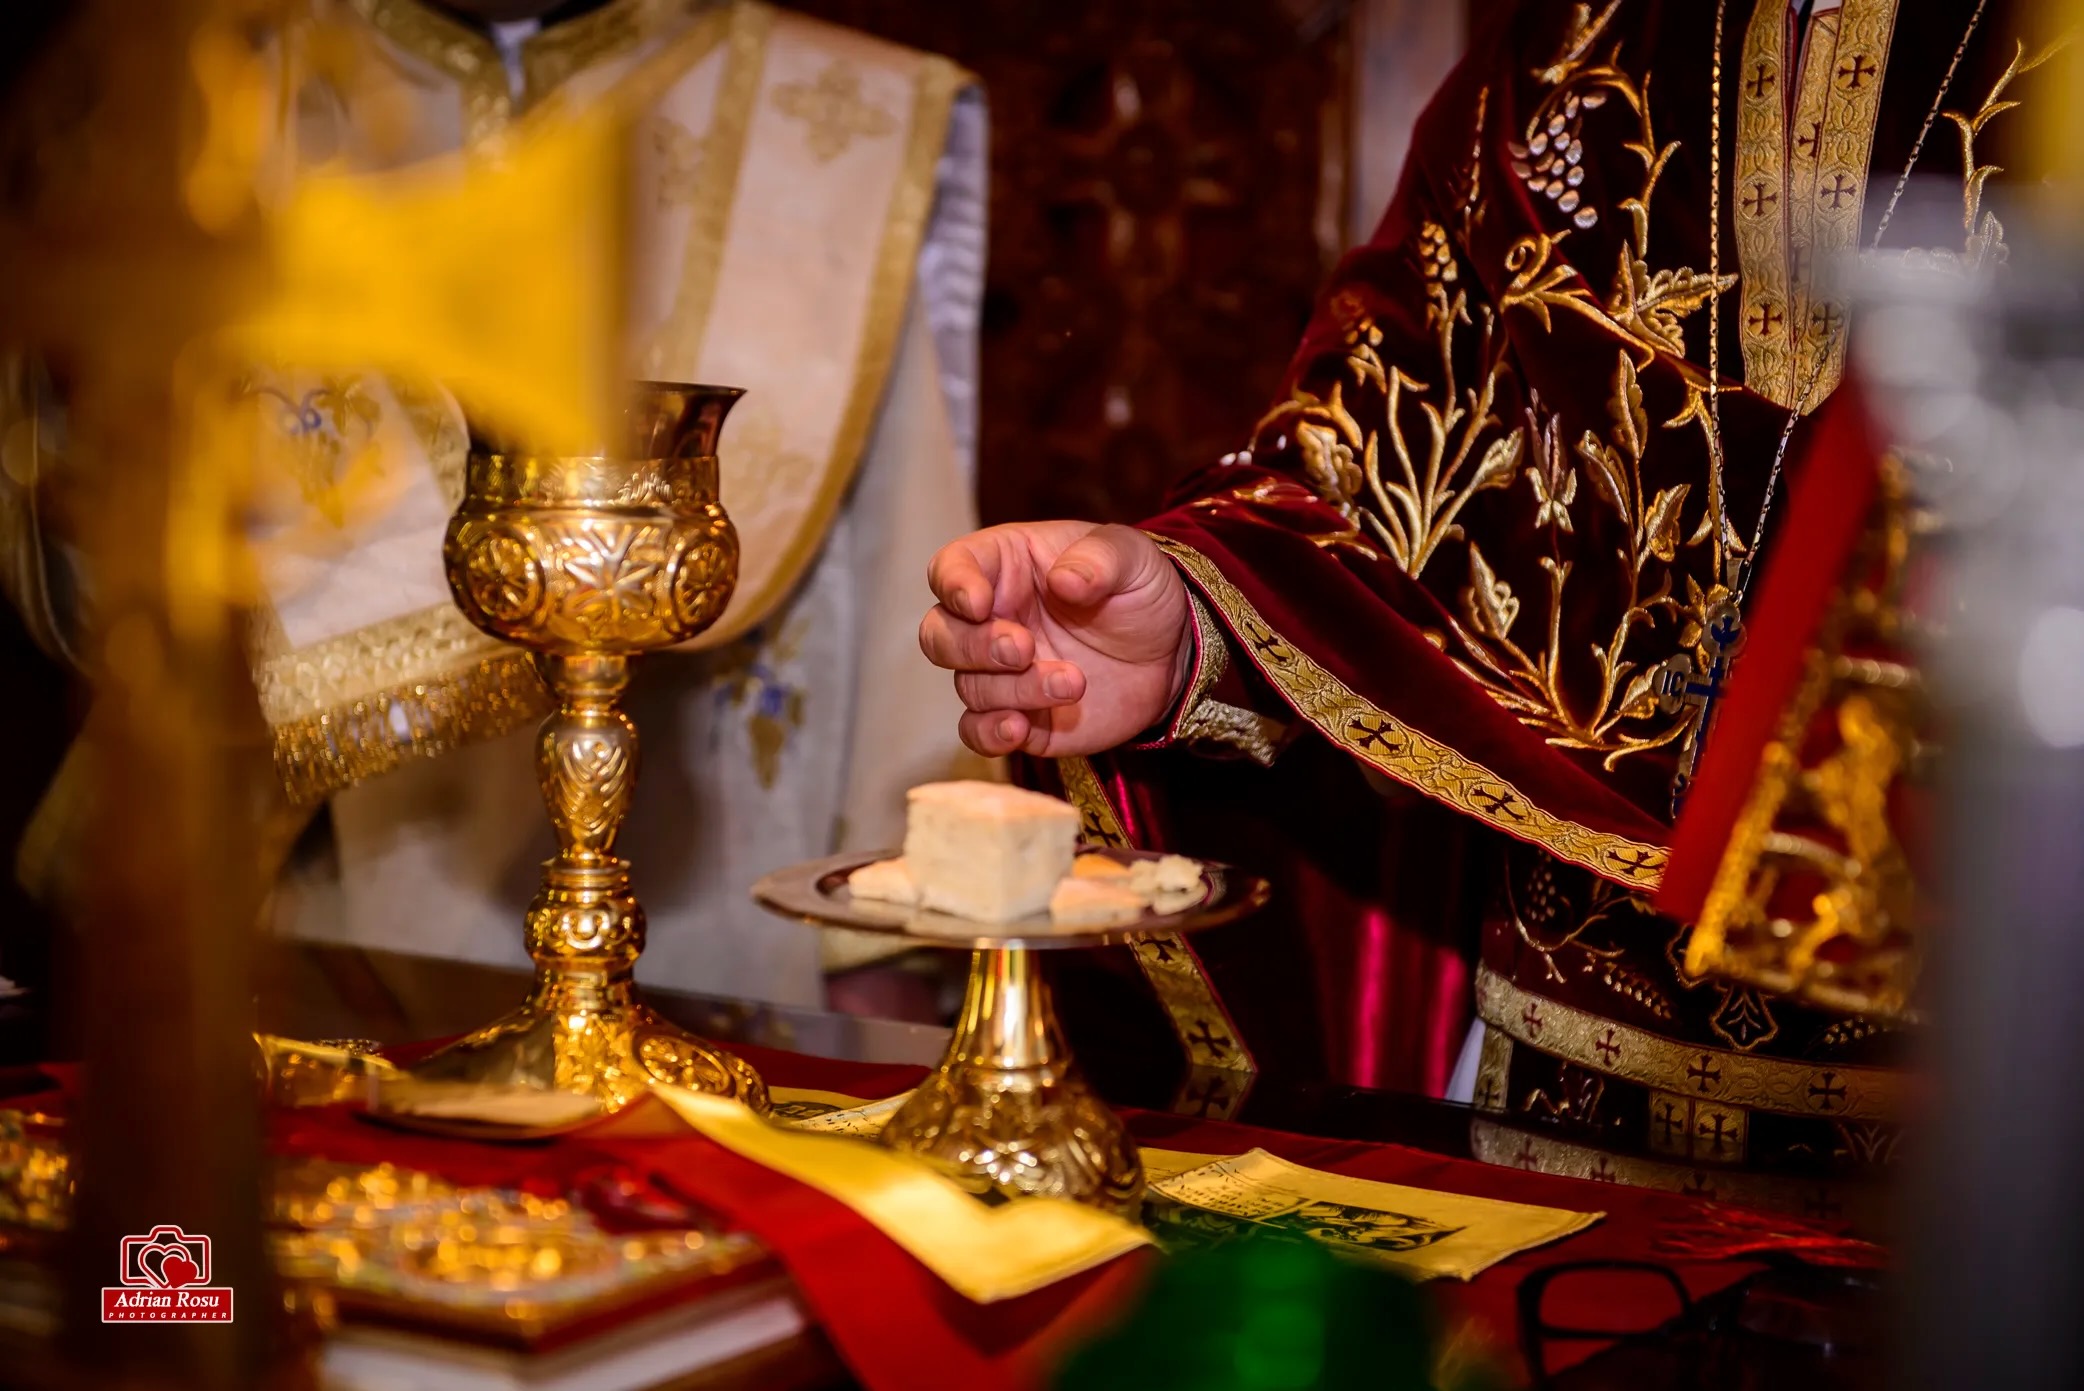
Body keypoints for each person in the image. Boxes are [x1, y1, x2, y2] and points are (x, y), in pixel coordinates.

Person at [920, 0, 2052, 1199]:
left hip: (2002, 1132)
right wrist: (1192, 629)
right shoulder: (1573, 45)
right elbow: (1372, 482)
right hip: (1557, 1109)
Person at [0, 0, 988, 1012]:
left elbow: (905, 534)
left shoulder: (829, 111)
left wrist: (887, 941)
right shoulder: (209, 85)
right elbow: (98, 514)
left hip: (721, 921)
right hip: (321, 899)